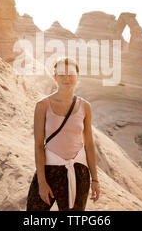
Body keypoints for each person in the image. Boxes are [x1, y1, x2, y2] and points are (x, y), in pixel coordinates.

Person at [26, 57, 100, 211]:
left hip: (79, 171)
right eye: (62, 74)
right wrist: (42, 182)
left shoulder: (85, 106)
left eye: (71, 73)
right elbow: (39, 146)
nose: (67, 78)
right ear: (55, 77)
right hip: (49, 170)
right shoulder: (42, 105)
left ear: (77, 76)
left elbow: (89, 145)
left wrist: (95, 179)